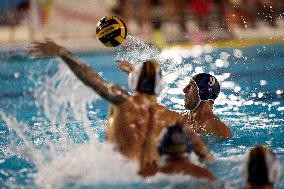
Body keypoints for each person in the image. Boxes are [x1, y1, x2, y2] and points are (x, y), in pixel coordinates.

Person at [28, 40, 213, 178]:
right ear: (160, 87)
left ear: (133, 81)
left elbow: (92, 79)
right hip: (152, 175)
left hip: (114, 173)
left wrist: (63, 52)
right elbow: (205, 156)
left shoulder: (122, 102)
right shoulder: (173, 118)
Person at [117, 61, 232, 138]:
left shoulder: (217, 129)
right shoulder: (184, 117)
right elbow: (154, 111)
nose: (184, 90)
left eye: (190, 86)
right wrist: (135, 77)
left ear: (203, 92)